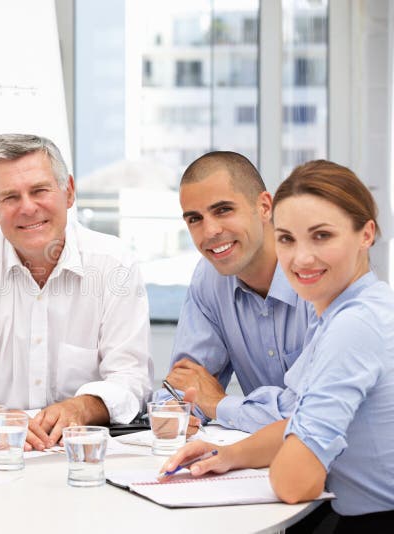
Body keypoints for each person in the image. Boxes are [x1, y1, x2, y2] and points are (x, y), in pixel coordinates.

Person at [163, 160, 394, 530]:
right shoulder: (338, 312)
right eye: (287, 239)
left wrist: (293, 440)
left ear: (366, 235)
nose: (300, 258)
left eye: (322, 236)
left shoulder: (353, 325)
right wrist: (228, 455)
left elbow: (294, 481)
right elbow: (294, 419)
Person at [0, 133, 153, 451]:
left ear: (69, 192)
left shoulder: (114, 264)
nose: (28, 207)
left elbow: (131, 377)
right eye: (10, 197)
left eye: (39, 191)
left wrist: (82, 407)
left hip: (84, 452)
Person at [157, 151, 312, 433]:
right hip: (263, 464)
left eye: (223, 210)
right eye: (194, 219)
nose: (210, 231)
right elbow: (184, 384)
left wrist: (218, 404)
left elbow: (309, 416)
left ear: (265, 206)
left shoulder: (318, 276)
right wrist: (177, 412)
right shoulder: (209, 278)